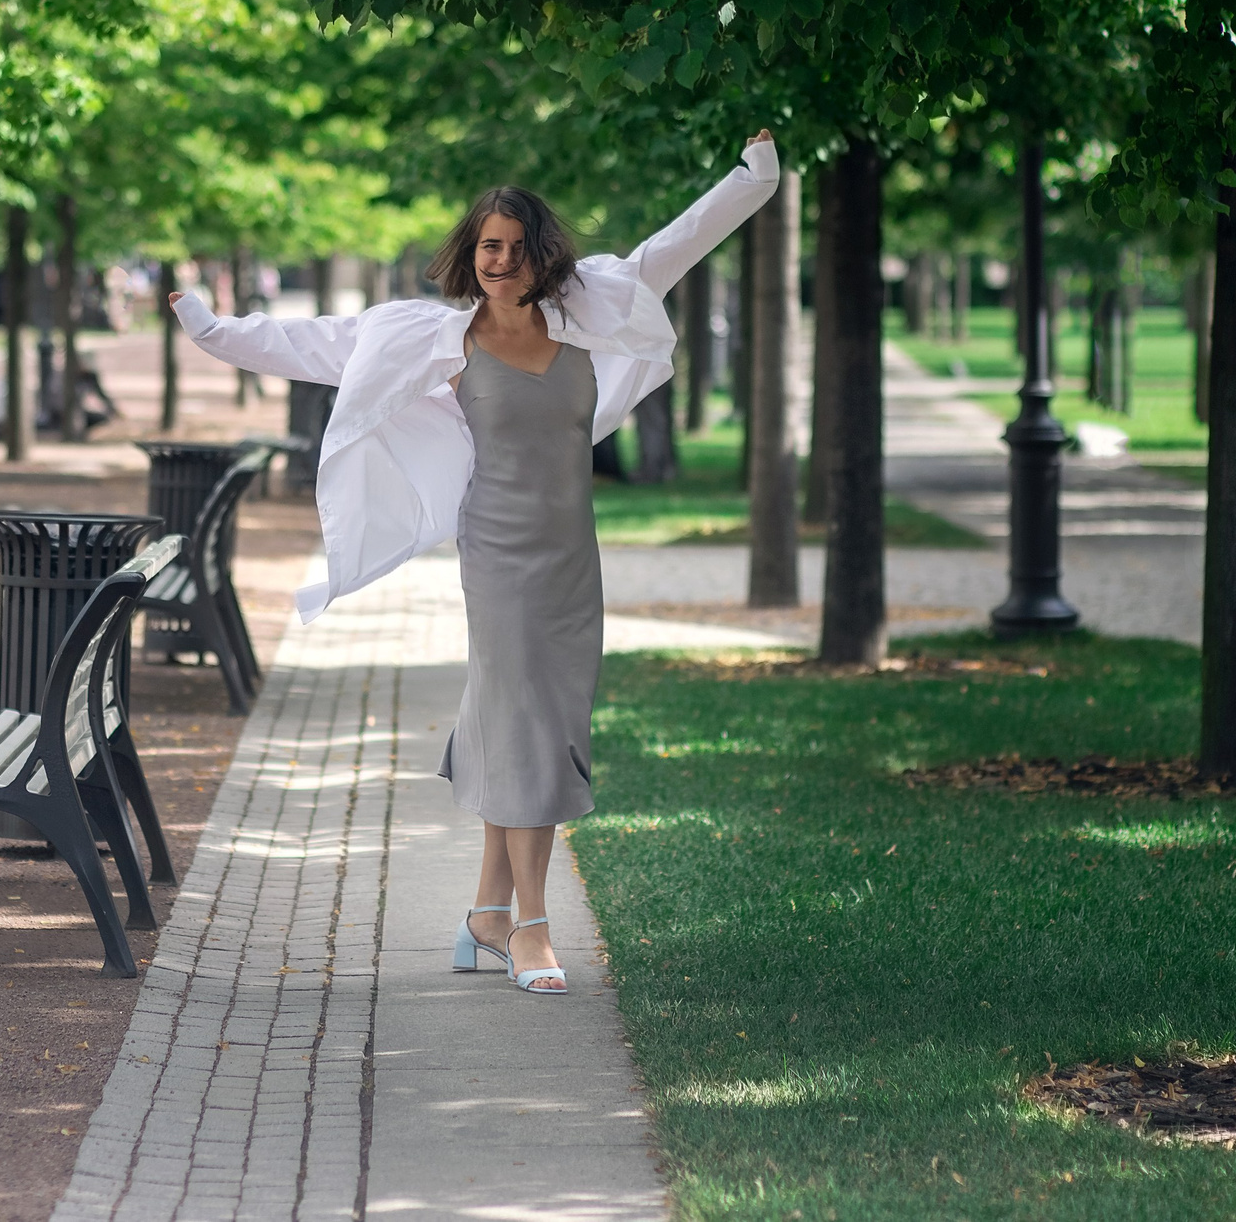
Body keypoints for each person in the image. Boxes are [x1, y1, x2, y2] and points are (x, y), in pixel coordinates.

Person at [169, 132, 779, 995]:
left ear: (543, 257)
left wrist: (753, 178)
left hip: (573, 557)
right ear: (470, 254)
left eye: (518, 248)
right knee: (529, 726)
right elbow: (310, 344)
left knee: (539, 721)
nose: (502, 260)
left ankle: (485, 915)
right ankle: (532, 927)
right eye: (489, 246)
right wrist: (211, 326)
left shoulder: (587, 314)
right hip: (497, 554)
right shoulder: (437, 340)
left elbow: (678, 240)